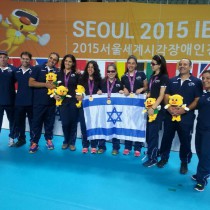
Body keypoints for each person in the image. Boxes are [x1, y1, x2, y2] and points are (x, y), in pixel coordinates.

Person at [157, 58, 203, 174]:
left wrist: (185, 109)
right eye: (180, 64)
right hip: (170, 116)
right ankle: (164, 158)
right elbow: (166, 95)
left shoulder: (197, 82)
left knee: (185, 141)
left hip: (186, 117)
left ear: (190, 67)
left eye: (185, 64)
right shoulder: (172, 80)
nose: (182, 66)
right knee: (166, 138)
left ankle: (184, 162)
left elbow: (197, 99)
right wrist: (168, 107)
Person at [28, 52, 59, 153]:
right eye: (51, 58)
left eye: (54, 59)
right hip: (38, 102)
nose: (52, 60)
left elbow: (58, 86)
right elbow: (31, 82)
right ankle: (34, 143)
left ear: (56, 62)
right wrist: (45, 85)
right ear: (48, 58)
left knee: (49, 124)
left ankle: (48, 140)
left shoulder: (57, 71)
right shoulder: (37, 68)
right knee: (36, 123)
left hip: (51, 103)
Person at [143, 55, 169, 167]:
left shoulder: (164, 77)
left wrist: (153, 107)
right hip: (150, 108)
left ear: (160, 64)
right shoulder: (152, 76)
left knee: (153, 134)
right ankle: (151, 151)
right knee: (149, 133)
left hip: (157, 110)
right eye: (151, 63)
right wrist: (147, 97)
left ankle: (153, 158)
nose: (151, 66)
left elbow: (162, 95)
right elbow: (151, 91)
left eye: (153, 64)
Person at [121, 55, 148, 157]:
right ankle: (127, 147)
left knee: (138, 124)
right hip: (128, 105)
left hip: (139, 105)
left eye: (133, 63)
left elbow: (146, 86)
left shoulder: (141, 74)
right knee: (127, 124)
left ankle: (138, 147)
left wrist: (141, 89)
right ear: (127, 64)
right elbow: (123, 88)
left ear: (136, 64)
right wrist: (124, 89)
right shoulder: (124, 77)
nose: (131, 65)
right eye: (129, 63)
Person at [97, 63, 124, 155]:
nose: (110, 73)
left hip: (115, 110)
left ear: (116, 72)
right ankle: (101, 146)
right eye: (108, 71)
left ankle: (116, 148)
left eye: (112, 71)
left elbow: (125, 95)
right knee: (103, 127)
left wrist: (122, 92)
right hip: (104, 110)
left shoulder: (119, 83)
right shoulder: (102, 82)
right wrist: (99, 91)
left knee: (115, 128)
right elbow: (98, 91)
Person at [77, 60, 102, 154]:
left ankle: (94, 145)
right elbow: (78, 92)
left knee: (94, 125)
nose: (90, 69)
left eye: (92, 67)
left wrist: (100, 92)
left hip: (94, 108)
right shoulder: (81, 79)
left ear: (95, 69)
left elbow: (102, 92)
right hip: (83, 106)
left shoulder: (99, 80)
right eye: (88, 67)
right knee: (84, 126)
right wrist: (79, 96)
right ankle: (85, 145)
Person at [57, 54, 79, 151]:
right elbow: (54, 87)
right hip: (62, 102)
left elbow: (80, 88)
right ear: (63, 62)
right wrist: (54, 95)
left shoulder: (76, 74)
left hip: (73, 102)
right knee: (65, 123)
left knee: (73, 123)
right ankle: (66, 140)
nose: (67, 63)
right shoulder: (58, 73)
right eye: (66, 61)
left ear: (73, 63)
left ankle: (72, 142)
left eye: (70, 61)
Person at [193, 70, 210, 192]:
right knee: (199, 151)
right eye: (203, 78)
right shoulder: (204, 94)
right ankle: (202, 172)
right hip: (200, 128)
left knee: (205, 154)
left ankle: (202, 179)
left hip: (209, 131)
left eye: (208, 78)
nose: (205, 81)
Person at [14, 51, 33, 147]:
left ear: (30, 60)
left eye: (27, 59)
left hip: (32, 102)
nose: (25, 60)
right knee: (20, 122)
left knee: (33, 123)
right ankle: (21, 139)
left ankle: (33, 141)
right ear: (20, 59)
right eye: (23, 58)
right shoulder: (15, 71)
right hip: (19, 102)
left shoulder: (34, 70)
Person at [0, 50, 16, 146]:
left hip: (10, 101)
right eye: (0, 57)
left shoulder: (13, 70)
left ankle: (12, 138)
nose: (2, 59)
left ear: (8, 58)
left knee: (13, 121)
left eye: (4, 57)